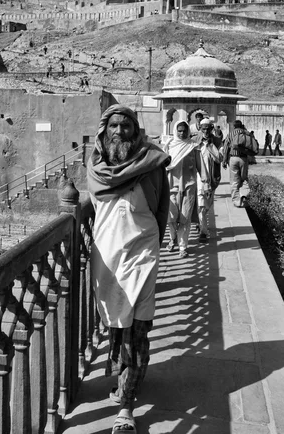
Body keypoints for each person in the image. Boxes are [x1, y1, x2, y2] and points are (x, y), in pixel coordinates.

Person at [87, 105, 170, 434]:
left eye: (126, 126)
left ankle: (126, 408)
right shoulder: (94, 166)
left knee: (135, 328)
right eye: (114, 126)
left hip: (142, 253)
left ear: (136, 131)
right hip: (107, 256)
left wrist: (155, 244)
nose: (119, 132)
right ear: (104, 130)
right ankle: (127, 378)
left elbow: (163, 205)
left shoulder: (152, 161)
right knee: (117, 326)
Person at [164, 120, 204, 257]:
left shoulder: (193, 146)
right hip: (171, 186)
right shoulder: (170, 145)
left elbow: (201, 167)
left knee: (185, 217)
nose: (182, 133)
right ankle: (172, 238)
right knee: (171, 216)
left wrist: (206, 183)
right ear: (176, 131)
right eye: (179, 130)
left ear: (188, 131)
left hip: (189, 186)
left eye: (184, 130)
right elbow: (163, 165)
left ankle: (182, 247)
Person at [195, 119, 221, 242]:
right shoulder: (195, 141)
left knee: (207, 204)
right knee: (200, 203)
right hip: (198, 177)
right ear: (200, 128)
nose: (205, 131)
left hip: (212, 177)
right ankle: (203, 231)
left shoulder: (216, 141)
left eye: (208, 129)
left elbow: (220, 158)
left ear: (212, 129)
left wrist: (211, 146)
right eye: (203, 129)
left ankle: (200, 221)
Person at [222, 120, 251, 208]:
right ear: (241, 125)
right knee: (244, 178)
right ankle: (244, 195)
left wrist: (224, 160)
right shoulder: (247, 133)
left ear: (234, 126)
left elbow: (226, 147)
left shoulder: (230, 134)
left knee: (234, 180)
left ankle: (237, 201)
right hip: (244, 158)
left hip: (233, 158)